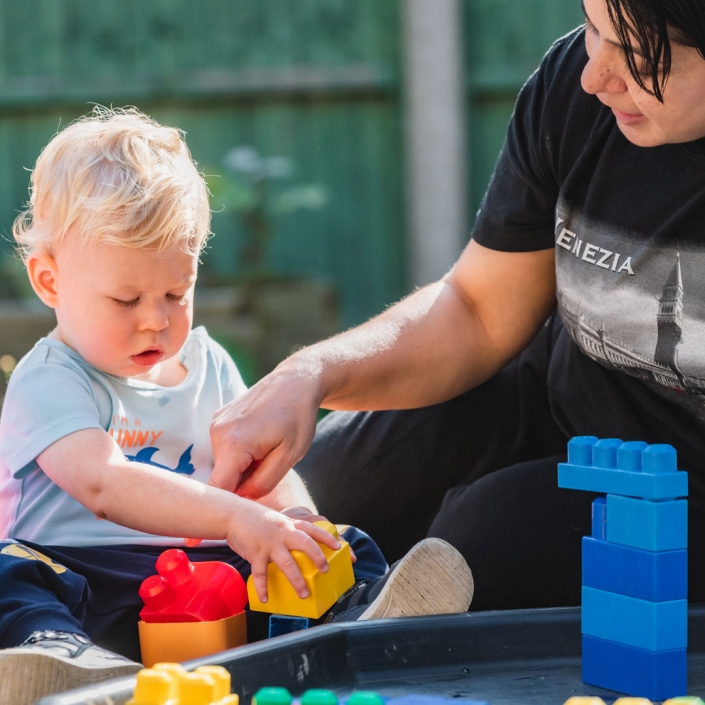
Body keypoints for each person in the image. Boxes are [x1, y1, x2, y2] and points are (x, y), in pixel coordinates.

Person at [202, 0, 705, 612]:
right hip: (546, 406)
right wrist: (307, 375)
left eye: (636, 51)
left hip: (680, 490)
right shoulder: (575, 93)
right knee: (301, 500)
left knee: (465, 555)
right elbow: (477, 308)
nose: (593, 75)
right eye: (595, 27)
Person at [0, 108, 474, 705]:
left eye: (176, 292)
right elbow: (102, 482)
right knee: (10, 575)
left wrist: (297, 521)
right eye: (125, 300)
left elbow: (260, 475)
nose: (156, 318)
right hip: (82, 577)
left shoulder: (208, 364)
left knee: (329, 541)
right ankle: (64, 661)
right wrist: (234, 519)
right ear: (49, 282)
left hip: (203, 578)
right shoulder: (50, 380)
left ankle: (366, 620)